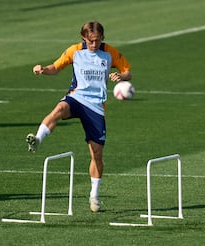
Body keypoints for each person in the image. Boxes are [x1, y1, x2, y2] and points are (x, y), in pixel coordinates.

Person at [26, 21, 132, 212]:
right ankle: (37, 139)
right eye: (90, 41)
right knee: (59, 109)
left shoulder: (110, 53)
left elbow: (127, 72)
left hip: (96, 107)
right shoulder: (74, 51)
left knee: (97, 154)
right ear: (83, 38)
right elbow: (55, 67)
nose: (94, 45)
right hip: (77, 97)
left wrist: (121, 77)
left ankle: (94, 196)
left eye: (98, 41)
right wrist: (42, 70)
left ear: (102, 38)